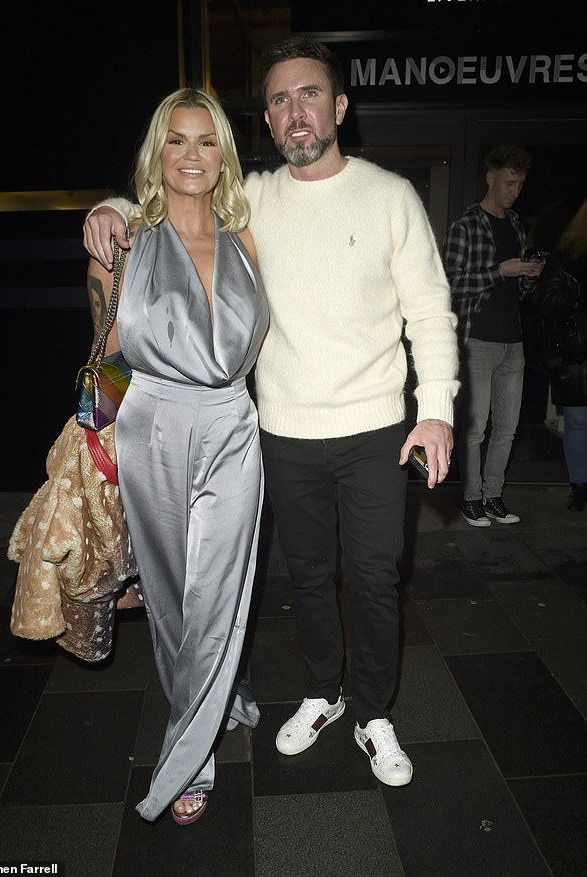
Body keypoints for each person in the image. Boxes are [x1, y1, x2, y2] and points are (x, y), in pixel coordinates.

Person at [83, 37, 459, 789]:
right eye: (281, 100)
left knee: (378, 576)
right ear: (269, 118)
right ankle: (323, 691)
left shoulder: (390, 196)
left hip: (377, 428)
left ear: (340, 106)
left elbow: (431, 311)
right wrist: (107, 207)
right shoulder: (255, 200)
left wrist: (437, 409)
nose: (296, 111)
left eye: (310, 94)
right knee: (308, 575)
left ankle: (374, 711)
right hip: (281, 430)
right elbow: (178, 191)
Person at [85, 87, 269, 825]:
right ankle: (217, 697)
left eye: (207, 140)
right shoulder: (123, 239)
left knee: (217, 593)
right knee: (169, 598)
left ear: (224, 153)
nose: (191, 155)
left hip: (233, 424)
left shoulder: (249, 239)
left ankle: (186, 757)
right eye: (177, 140)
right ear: (157, 152)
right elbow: (107, 355)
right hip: (151, 425)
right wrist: (90, 438)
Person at [442, 144, 545, 527]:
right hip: (478, 341)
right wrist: (500, 271)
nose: (514, 191)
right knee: (475, 429)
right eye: (509, 182)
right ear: (491, 177)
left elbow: (515, 293)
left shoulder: (516, 226)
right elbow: (449, 284)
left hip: (512, 342)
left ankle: (493, 496)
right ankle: (471, 499)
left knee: (507, 428)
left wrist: (527, 277)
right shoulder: (466, 226)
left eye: (519, 184)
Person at [535, 197, 587, 511]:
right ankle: (579, 486)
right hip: (577, 352)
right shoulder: (566, 257)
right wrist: (578, 291)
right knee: (579, 421)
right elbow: (548, 303)